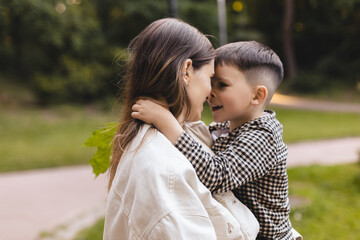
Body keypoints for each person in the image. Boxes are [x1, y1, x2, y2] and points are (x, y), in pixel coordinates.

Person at [104, 19, 260, 240]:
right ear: (186, 71)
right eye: (210, 78)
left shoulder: (172, 140)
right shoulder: (162, 167)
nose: (210, 92)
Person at [132, 41, 300, 239]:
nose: (210, 92)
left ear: (257, 95)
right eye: (211, 82)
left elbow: (217, 176)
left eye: (222, 85)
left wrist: (165, 121)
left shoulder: (263, 136)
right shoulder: (226, 128)